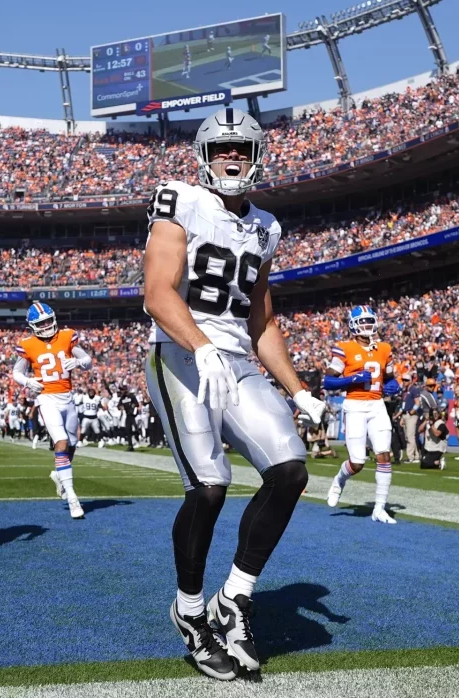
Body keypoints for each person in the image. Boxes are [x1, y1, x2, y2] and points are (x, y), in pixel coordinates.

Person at [142, 108, 326, 681]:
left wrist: (299, 391)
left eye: (241, 150)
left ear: (256, 157)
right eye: (221, 149)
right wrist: (198, 346)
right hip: (179, 352)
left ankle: (235, 597)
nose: (231, 157)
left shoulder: (266, 227)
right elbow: (155, 292)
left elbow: (262, 321)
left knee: (291, 469)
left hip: (235, 359)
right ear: (203, 156)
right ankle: (191, 611)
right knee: (210, 487)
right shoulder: (179, 200)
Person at [12, 302, 92, 519]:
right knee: (62, 441)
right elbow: (16, 373)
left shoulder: (66, 336)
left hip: (68, 397)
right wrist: (28, 382)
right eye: (41, 323)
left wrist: (77, 362)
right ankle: (73, 498)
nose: (46, 325)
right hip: (46, 398)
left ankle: (59, 475)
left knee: (73, 444)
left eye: (48, 320)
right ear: (32, 326)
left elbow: (87, 360)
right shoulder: (27, 344)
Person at [323, 305, 402, 524]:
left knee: (384, 454)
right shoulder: (344, 348)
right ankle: (339, 481)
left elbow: (389, 377)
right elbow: (328, 381)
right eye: (362, 322)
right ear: (353, 325)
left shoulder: (384, 348)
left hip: (377, 406)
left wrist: (394, 386)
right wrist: (352, 379)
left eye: (370, 321)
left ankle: (379, 508)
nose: (367, 325)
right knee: (357, 463)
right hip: (355, 406)